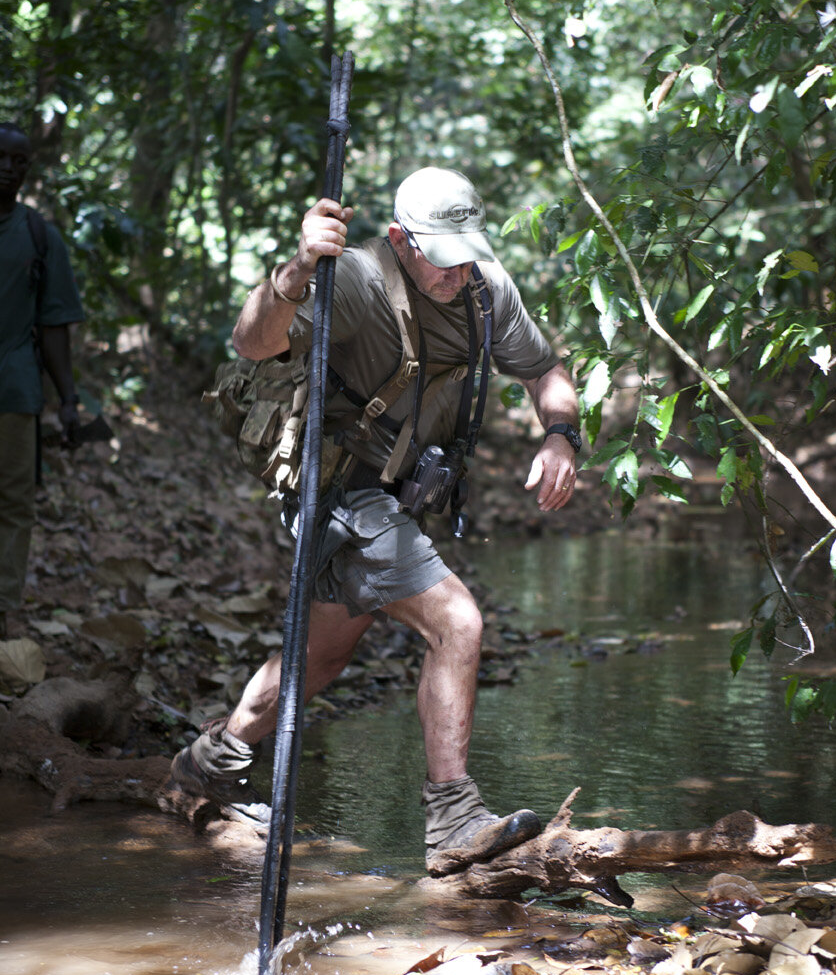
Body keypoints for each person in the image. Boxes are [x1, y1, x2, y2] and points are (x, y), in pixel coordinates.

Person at [167, 167, 582, 874]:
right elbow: (251, 342)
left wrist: (560, 436)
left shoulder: (487, 288)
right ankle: (452, 817)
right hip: (334, 495)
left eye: (465, 253)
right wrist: (299, 268)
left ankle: (206, 765)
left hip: (392, 502)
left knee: (317, 661)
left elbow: (546, 372)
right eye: (439, 257)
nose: (456, 273)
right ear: (399, 239)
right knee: (458, 623)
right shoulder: (353, 278)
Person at [0, 122, 84, 637]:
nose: (8, 169)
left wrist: (68, 399)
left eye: (19, 161)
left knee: (14, 500)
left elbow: (54, 324)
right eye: (0, 158)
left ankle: (5, 608)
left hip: (15, 388)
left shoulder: (38, 235)